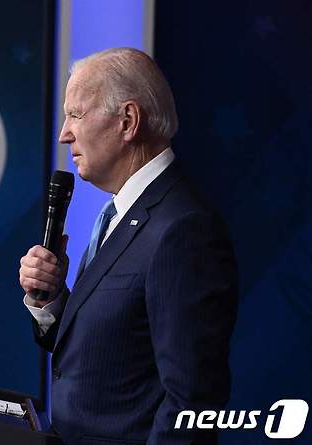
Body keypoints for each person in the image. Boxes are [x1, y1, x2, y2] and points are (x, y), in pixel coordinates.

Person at [19, 48, 238, 444]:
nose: (64, 133)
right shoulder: (120, 214)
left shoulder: (183, 229)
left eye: (76, 114)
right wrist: (51, 302)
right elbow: (107, 354)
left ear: (128, 121)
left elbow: (192, 402)